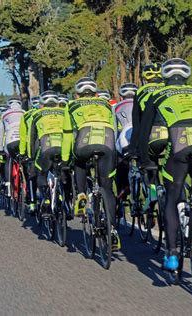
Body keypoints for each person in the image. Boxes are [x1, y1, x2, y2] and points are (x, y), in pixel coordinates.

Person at [138, 58, 192, 271]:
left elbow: (144, 132)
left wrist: (145, 160)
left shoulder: (156, 95)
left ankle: (172, 254)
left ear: (164, 77)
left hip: (180, 144)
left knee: (172, 195)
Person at [61, 77, 120, 250]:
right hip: (107, 142)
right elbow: (115, 129)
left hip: (84, 140)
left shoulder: (70, 105)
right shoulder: (106, 104)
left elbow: (67, 135)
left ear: (77, 94)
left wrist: (66, 160)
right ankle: (113, 229)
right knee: (107, 189)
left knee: (78, 160)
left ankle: (80, 195)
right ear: (95, 93)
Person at [29, 90, 65, 216]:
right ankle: (65, 200)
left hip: (46, 148)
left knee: (41, 172)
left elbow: (32, 139)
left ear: (42, 104)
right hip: (63, 148)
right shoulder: (65, 112)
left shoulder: (37, 115)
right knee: (64, 171)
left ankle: (47, 199)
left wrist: (32, 157)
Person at [130, 62, 166, 157]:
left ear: (145, 77)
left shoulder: (140, 91)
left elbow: (136, 123)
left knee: (149, 159)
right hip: (174, 133)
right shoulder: (169, 88)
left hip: (152, 132)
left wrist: (132, 148)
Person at [113, 83, 138, 198]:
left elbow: (114, 129)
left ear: (122, 97)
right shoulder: (142, 104)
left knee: (120, 163)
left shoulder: (116, 107)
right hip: (141, 136)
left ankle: (122, 188)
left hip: (125, 138)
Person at [0, 96, 24, 198]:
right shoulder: (24, 113)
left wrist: (0, 149)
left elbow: (1, 134)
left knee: (9, 159)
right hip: (22, 141)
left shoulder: (4, 115)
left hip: (10, 140)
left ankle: (8, 185)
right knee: (24, 162)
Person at [18, 96, 41, 214]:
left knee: (31, 176)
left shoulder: (27, 115)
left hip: (32, 149)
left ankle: (32, 202)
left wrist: (22, 154)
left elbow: (24, 137)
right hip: (51, 147)